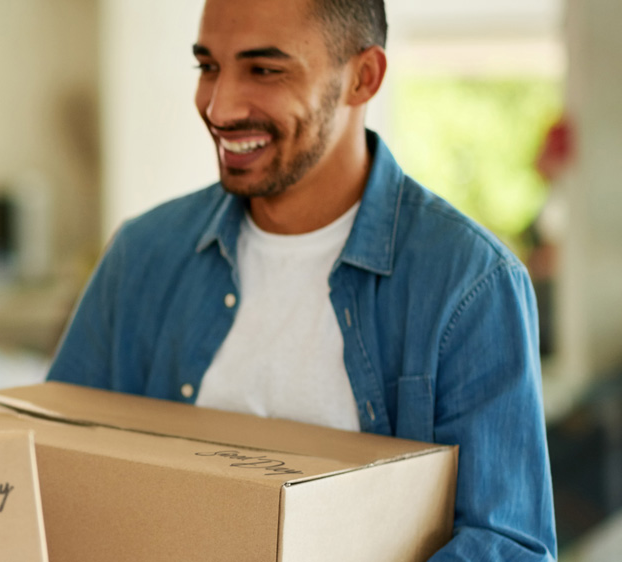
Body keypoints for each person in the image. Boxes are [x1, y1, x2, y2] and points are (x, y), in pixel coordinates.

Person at [48, 0, 556, 558]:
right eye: (208, 67)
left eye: (264, 70)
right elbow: (49, 468)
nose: (219, 106)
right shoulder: (143, 254)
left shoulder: (470, 283)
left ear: (363, 78)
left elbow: (507, 543)